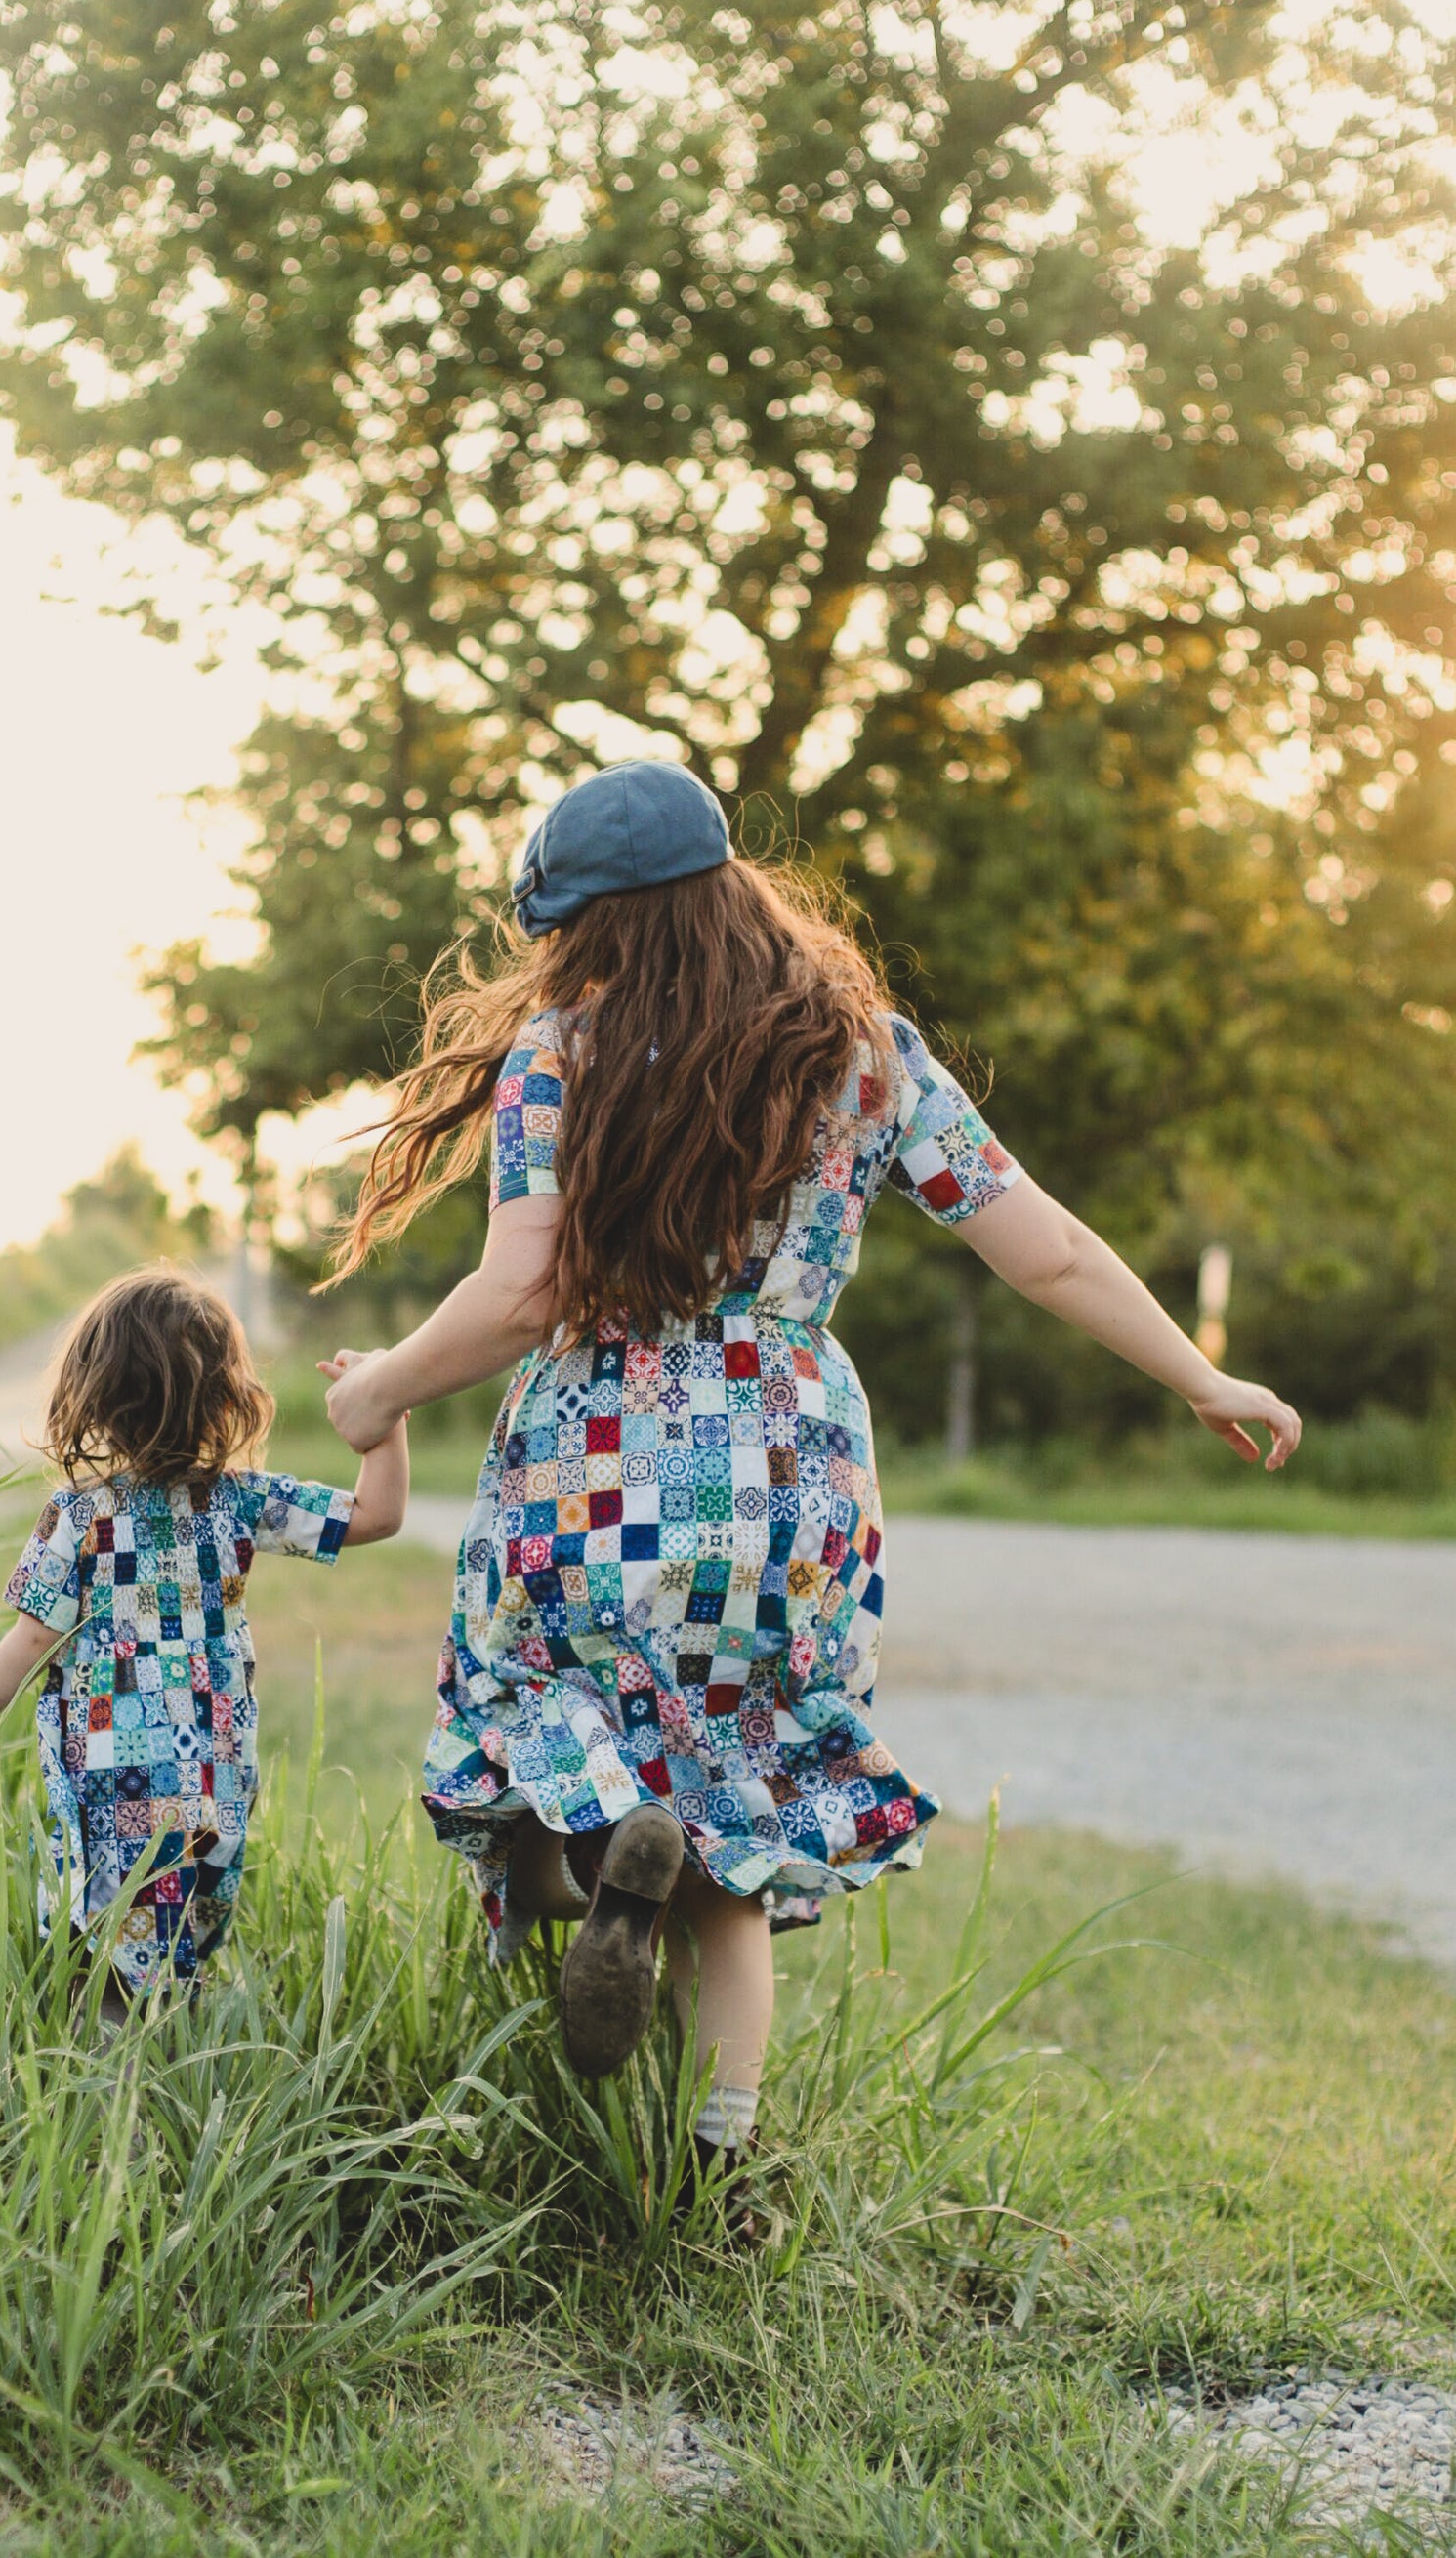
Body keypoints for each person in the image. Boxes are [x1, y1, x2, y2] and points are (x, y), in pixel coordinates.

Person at [320, 760, 1300, 2175]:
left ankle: (600, 1877)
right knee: (743, 1791)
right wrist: (1199, 1374)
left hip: (600, 1461)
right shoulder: (867, 1051)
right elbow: (1046, 1251)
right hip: (791, 1477)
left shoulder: (561, 1050)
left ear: (587, 924)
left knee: (534, 1726)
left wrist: (385, 1390)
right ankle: (717, 2157)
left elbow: (522, 1292)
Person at [0, 1265, 409, 2010]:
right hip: (213, 1776)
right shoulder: (238, 1500)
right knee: (176, 1950)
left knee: (106, 1954)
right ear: (224, 1395)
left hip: (115, 1777)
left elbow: (30, 1641)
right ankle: (157, 2074)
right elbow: (378, 1513)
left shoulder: (81, 1515)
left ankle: (112, 2094)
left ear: (97, 1392)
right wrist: (386, 1414)